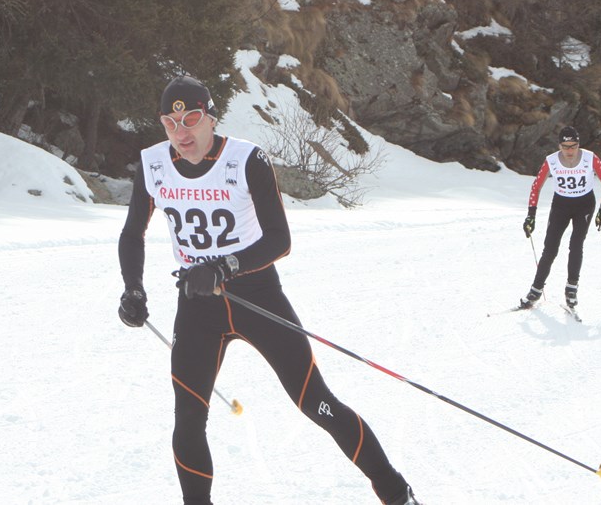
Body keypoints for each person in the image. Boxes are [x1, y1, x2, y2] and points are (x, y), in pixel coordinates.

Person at [117, 75, 420, 505]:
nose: (181, 133)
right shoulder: (153, 165)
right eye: (170, 123)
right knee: (188, 418)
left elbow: (280, 239)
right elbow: (132, 234)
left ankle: (396, 493)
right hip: (198, 305)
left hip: (255, 296)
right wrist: (133, 290)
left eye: (192, 119)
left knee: (316, 403)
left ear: (211, 117)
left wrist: (224, 266)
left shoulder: (246, 159)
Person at [520, 125, 601, 309]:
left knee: (576, 244)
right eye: (565, 147)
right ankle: (536, 289)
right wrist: (531, 215)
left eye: (573, 146)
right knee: (550, 248)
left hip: (584, 205)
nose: (569, 151)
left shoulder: (590, 158)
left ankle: (571, 288)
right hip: (561, 205)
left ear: (579, 144)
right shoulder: (551, 161)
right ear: (559, 146)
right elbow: (536, 186)